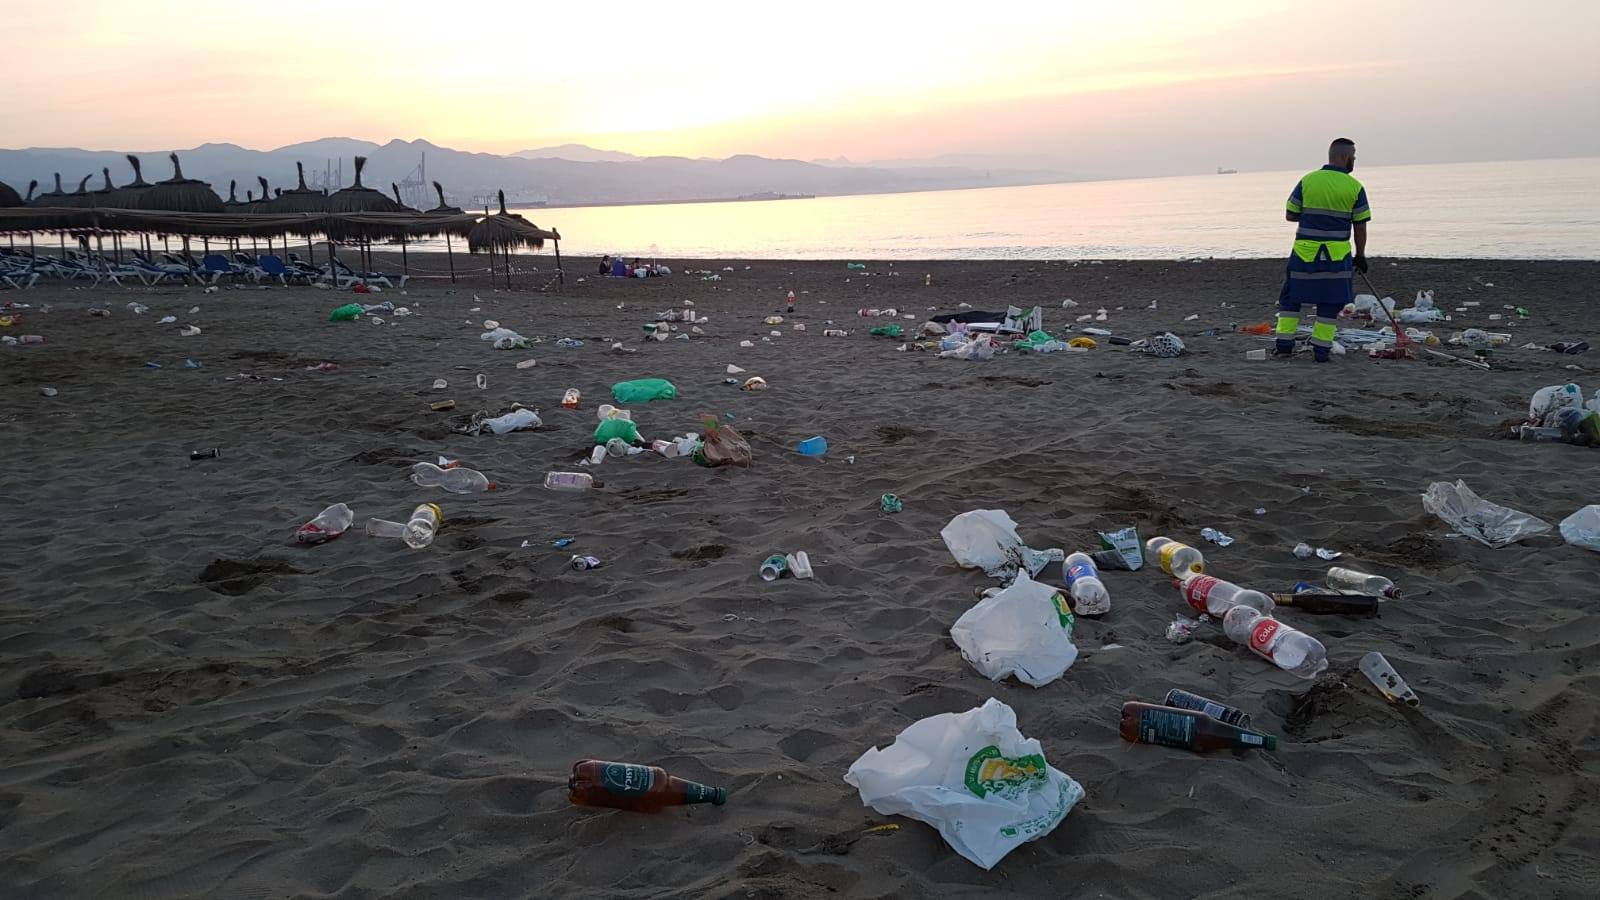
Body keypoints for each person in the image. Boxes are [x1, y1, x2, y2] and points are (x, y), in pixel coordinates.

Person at [1275, 138, 1372, 362]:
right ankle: (1320, 351)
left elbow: (1290, 214)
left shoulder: (1308, 180)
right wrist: (1361, 255)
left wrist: (1311, 217)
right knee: (1330, 303)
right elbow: (1360, 225)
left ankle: (1283, 347)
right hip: (1336, 257)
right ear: (1345, 156)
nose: (1354, 161)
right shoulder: (1355, 187)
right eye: (1354, 156)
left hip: (1304, 254)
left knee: (1291, 300)